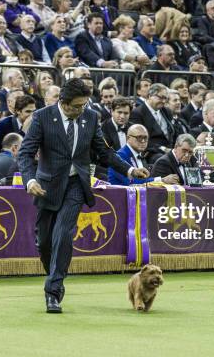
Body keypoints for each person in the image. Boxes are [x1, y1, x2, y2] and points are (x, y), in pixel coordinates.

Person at [17, 78, 149, 313]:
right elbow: (26, 153)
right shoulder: (42, 117)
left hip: (76, 185)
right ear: (63, 103)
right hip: (47, 187)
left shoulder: (90, 117)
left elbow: (103, 152)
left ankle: (53, 291)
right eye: (77, 106)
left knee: (63, 233)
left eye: (84, 105)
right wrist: (30, 180)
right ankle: (55, 273)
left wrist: (129, 169)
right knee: (45, 241)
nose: (81, 110)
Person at [108, 124, 179, 185]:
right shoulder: (120, 155)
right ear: (128, 138)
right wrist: (162, 180)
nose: (143, 141)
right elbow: (132, 183)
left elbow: (145, 181)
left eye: (145, 138)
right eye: (139, 137)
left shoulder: (141, 155)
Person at [129, 83, 175, 163]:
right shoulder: (138, 113)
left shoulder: (166, 111)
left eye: (165, 98)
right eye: (160, 98)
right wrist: (163, 149)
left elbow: (172, 133)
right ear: (150, 96)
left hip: (170, 149)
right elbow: (139, 139)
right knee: (164, 159)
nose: (163, 101)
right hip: (150, 152)